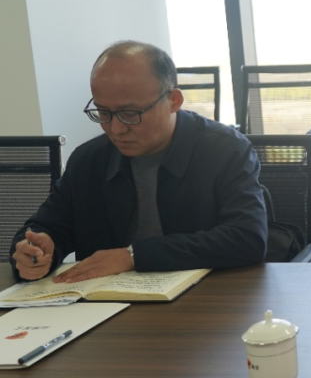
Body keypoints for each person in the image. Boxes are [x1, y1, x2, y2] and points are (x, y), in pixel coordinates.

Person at [9, 40, 268, 284]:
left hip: (206, 300)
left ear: (174, 100)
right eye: (103, 112)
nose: (116, 129)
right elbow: (46, 226)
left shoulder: (224, 150)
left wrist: (134, 256)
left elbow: (247, 238)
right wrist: (34, 251)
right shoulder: (89, 160)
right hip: (103, 305)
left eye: (130, 113)